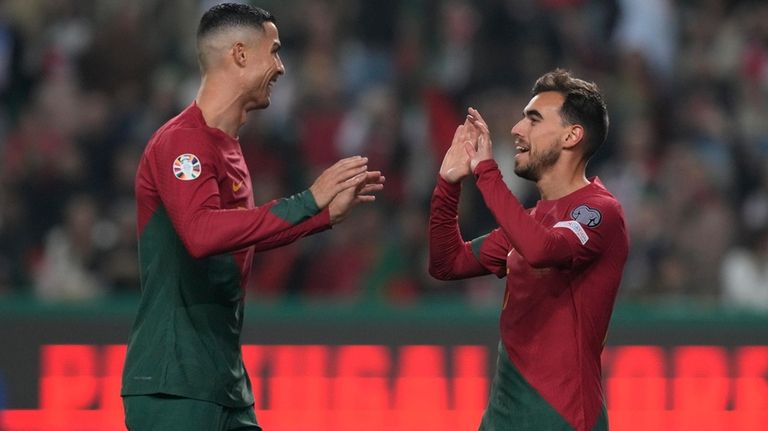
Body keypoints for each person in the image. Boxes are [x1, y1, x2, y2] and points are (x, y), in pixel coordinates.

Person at [120, 4, 384, 431]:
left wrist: (321, 216)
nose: (281, 67)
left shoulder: (229, 147)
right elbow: (202, 233)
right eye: (274, 51)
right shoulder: (181, 143)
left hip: (223, 382)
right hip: (173, 384)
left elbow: (235, 235)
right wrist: (307, 202)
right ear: (240, 55)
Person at [429, 69, 628, 431]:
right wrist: (448, 185)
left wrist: (488, 173)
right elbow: (447, 263)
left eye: (533, 120)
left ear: (572, 136)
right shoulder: (530, 220)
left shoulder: (600, 211)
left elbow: (542, 250)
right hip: (501, 420)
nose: (517, 129)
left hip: (562, 420)